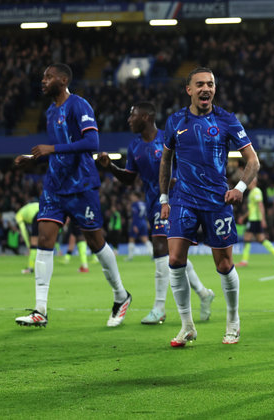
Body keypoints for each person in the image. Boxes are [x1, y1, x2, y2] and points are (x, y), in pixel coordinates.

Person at [13, 63, 131, 328]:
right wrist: (34, 159)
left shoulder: (79, 105)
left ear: (63, 79)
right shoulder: (49, 112)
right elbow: (59, 153)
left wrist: (50, 149)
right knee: (44, 238)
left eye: (48, 76)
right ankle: (40, 310)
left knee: (96, 242)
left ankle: (121, 295)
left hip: (81, 187)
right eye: (42, 76)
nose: (43, 81)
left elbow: (92, 144)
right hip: (54, 186)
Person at [159, 67, 260, 347]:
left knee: (224, 264)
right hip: (183, 200)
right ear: (189, 89)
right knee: (175, 260)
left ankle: (232, 321)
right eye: (200, 84)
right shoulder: (175, 121)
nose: (206, 88)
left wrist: (239, 188)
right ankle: (187, 325)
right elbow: (165, 161)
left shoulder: (227, 120)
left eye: (211, 84)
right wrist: (164, 199)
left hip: (217, 201)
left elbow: (253, 161)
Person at [97, 101, 215, 325]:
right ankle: (203, 293)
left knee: (160, 247)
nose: (129, 120)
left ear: (146, 117)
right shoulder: (134, 146)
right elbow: (130, 178)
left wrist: (179, 180)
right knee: (174, 254)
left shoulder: (169, 137)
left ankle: (159, 308)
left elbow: (191, 162)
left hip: (178, 200)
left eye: (132, 115)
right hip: (154, 203)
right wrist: (111, 167)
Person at [236, 176, 274, 267]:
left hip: (255, 220)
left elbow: (260, 205)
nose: (247, 183)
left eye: (249, 181)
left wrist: (263, 219)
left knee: (247, 239)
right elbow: (252, 209)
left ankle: (244, 261)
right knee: (261, 239)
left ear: (254, 182)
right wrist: (243, 217)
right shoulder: (252, 192)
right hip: (254, 219)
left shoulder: (256, 191)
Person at [16, 201, 39, 274]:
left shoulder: (18, 215)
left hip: (37, 216)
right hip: (47, 212)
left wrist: (28, 245)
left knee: (34, 244)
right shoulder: (31, 206)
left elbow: (23, 230)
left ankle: (30, 268)